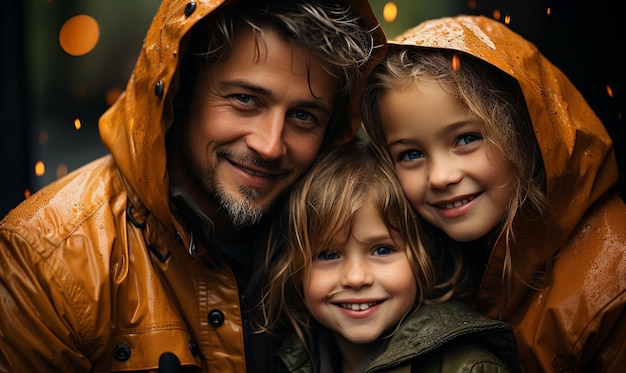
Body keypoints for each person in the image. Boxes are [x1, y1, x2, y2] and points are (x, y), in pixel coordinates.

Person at [0, 0, 385, 371]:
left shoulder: (349, 231)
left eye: (303, 115)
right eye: (245, 99)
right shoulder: (47, 258)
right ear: (179, 90)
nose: (269, 145)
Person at [360, 15, 626, 373]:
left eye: (466, 139)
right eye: (411, 154)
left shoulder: (615, 283)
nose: (440, 177)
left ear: (525, 133)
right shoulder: (424, 260)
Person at [259, 140, 520, 373]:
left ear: (423, 257)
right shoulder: (287, 359)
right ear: (294, 269)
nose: (356, 277)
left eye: (382, 250)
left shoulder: (466, 367)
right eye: (328, 255)